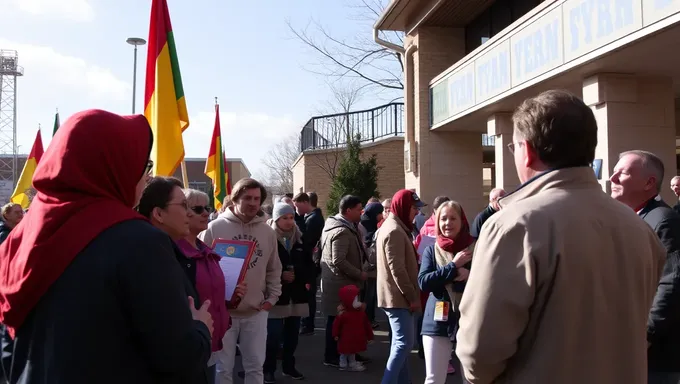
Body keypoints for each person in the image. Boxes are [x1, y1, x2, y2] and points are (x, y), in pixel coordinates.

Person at [456, 90, 666, 384]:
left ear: (527, 150)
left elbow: (480, 352)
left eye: (513, 147)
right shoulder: (638, 228)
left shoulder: (515, 225)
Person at [0, 109, 212, 383]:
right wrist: (200, 328)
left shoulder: (20, 237)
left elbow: (9, 341)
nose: (146, 177)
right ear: (113, 165)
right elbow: (179, 356)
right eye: (143, 165)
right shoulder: (138, 242)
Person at [200, 178, 282, 384]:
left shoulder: (267, 232)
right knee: (223, 369)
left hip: (256, 311)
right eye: (247, 198)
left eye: (257, 199)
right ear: (235, 199)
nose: (253, 203)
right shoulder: (214, 229)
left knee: (255, 367)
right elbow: (201, 268)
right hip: (222, 312)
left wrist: (271, 299)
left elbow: (274, 268)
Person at [610, 150, 680, 383]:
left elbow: (672, 280)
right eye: (613, 172)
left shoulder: (663, 220)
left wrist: (645, 335)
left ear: (649, 182)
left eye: (623, 173)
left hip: (655, 357)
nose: (613, 178)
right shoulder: (633, 217)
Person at [180, 189, 247, 383]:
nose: (205, 213)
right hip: (191, 346)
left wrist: (233, 296)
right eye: (198, 208)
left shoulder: (207, 252)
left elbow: (214, 297)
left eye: (207, 208)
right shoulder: (176, 255)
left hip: (212, 341)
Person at [418, 201, 474, 384]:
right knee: (434, 379)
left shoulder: (476, 248)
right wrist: (453, 266)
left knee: (472, 379)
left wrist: (471, 275)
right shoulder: (430, 250)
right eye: (443, 218)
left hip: (470, 320)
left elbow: (492, 279)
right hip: (437, 321)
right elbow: (424, 282)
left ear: (462, 221)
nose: (447, 223)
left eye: (452, 218)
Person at [376, 189, 425, 384]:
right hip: (398, 298)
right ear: (405, 207)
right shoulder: (394, 230)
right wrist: (412, 297)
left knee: (400, 344)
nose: (417, 212)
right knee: (404, 344)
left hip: (397, 297)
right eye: (415, 208)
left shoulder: (396, 227)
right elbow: (398, 269)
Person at [264, 202, 314, 383]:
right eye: (284, 218)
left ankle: (288, 366)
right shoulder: (267, 238)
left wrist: (301, 277)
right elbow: (263, 267)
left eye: (291, 217)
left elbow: (310, 265)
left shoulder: (300, 238)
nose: (289, 221)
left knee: (292, 336)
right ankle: (268, 368)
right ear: (276, 219)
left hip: (297, 294)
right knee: (273, 336)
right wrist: (281, 276)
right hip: (276, 295)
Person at [320, 195, 368, 368]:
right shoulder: (341, 230)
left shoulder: (343, 227)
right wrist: (358, 274)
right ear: (348, 210)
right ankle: (332, 356)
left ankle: (350, 353)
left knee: (344, 322)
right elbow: (338, 260)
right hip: (340, 285)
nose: (361, 212)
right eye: (358, 209)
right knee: (336, 321)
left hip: (341, 283)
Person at [332, 285, 374, 372]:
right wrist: (335, 334)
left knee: (351, 352)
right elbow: (336, 325)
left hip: (350, 338)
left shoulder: (354, 314)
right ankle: (346, 364)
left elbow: (367, 325)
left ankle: (349, 363)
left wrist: (370, 336)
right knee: (347, 352)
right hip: (347, 338)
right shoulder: (345, 315)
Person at [301, 191, 325, 335]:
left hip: (311, 261)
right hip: (312, 261)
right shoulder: (313, 217)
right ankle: (307, 323)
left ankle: (308, 324)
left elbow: (308, 241)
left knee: (309, 294)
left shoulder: (313, 219)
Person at [360, 202, 384, 328]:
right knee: (369, 295)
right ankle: (368, 320)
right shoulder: (365, 226)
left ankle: (368, 319)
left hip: (369, 267)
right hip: (369, 267)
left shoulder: (370, 224)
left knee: (369, 295)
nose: (382, 215)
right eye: (380, 213)